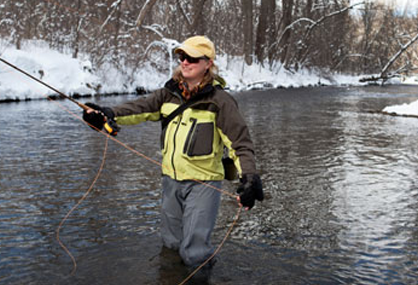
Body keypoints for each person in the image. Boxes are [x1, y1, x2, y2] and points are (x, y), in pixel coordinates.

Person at [82, 35, 264, 270]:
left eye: (192, 58)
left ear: (208, 63)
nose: (185, 62)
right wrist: (106, 113)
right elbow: (139, 108)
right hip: (170, 181)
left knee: (194, 253)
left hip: (203, 184)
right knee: (171, 245)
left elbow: (240, 144)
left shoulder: (221, 102)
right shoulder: (167, 94)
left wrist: (249, 178)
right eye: (182, 57)